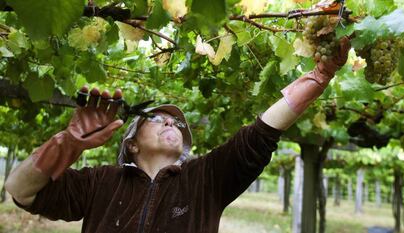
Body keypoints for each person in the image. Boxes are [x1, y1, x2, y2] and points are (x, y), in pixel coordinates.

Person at [5, 37, 350, 233]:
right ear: (132, 143)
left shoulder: (206, 179)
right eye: (157, 118)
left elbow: (260, 134)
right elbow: (20, 192)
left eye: (177, 124)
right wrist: (67, 145)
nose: (172, 123)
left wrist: (318, 78)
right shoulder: (100, 183)